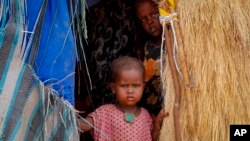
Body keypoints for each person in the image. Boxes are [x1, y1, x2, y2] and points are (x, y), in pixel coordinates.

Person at [78, 56, 167, 141]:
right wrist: (69, 116)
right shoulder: (105, 112)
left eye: (136, 86)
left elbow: (152, 138)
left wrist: (157, 124)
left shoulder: (145, 115)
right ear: (113, 88)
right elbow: (84, 124)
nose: (130, 91)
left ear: (143, 88)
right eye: (124, 86)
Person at [135, 0, 164, 116]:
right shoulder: (143, 48)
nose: (150, 22)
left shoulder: (176, 43)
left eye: (154, 15)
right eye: (144, 19)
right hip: (153, 115)